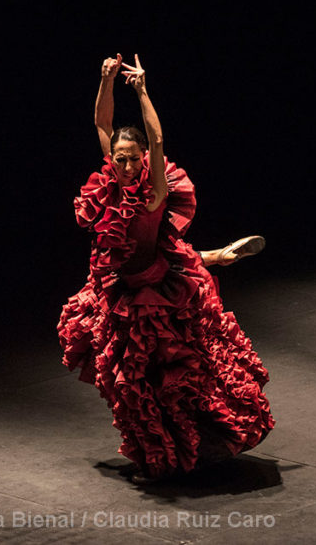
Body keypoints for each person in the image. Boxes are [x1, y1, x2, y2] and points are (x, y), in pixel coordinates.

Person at [57, 53, 275, 484]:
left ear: (141, 160)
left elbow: (157, 141)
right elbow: (102, 125)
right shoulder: (112, 180)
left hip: (155, 290)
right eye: (119, 158)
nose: (123, 165)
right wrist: (105, 81)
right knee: (128, 382)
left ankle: (219, 255)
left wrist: (140, 91)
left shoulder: (152, 193)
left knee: (172, 375)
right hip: (121, 286)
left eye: (131, 159)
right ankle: (218, 254)